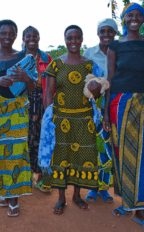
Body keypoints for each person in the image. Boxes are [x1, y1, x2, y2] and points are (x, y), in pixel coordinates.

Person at [103, 3, 144, 232]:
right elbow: (109, 78)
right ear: (123, 18)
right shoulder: (114, 46)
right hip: (118, 104)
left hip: (143, 104)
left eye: (139, 15)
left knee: (143, 154)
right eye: (130, 15)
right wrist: (104, 112)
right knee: (121, 153)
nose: (135, 18)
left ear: (143, 19)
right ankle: (127, 204)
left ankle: (141, 211)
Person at [44, 25, 106, 214]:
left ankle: (77, 196)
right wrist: (48, 118)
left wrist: (96, 88)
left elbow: (96, 94)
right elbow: (48, 92)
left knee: (82, 157)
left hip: (84, 120)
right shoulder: (55, 64)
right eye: (69, 38)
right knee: (61, 158)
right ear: (65, 39)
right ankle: (61, 199)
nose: (73, 41)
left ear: (81, 39)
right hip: (61, 118)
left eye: (76, 38)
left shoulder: (90, 64)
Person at [0, 20, 34, 217]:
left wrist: (26, 78)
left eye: (11, 33)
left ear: (16, 36)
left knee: (18, 151)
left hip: (18, 110)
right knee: (0, 151)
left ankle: (14, 198)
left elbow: (34, 87)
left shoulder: (24, 58)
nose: (7, 37)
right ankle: (5, 189)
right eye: (3, 33)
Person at [83, 18, 118, 203]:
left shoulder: (121, 52)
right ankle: (92, 188)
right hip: (93, 108)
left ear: (115, 33)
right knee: (93, 147)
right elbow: (84, 79)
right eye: (102, 31)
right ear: (97, 34)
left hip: (114, 106)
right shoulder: (89, 53)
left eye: (110, 31)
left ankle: (105, 188)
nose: (106, 35)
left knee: (109, 148)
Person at [22, 26, 52, 193]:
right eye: (28, 36)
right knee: (25, 135)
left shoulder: (47, 58)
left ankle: (40, 176)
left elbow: (51, 81)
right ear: (23, 38)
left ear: (39, 38)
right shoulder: (18, 57)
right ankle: (26, 176)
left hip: (42, 100)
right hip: (23, 100)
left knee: (42, 137)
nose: (32, 38)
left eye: (35, 36)